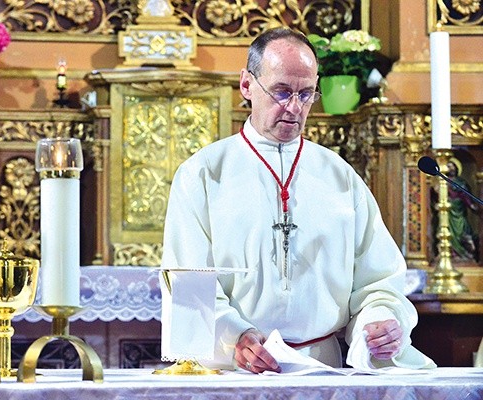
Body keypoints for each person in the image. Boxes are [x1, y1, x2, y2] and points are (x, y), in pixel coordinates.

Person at [160, 27, 435, 372]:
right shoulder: (202, 173)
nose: (294, 108)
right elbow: (189, 281)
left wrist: (378, 324)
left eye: (306, 94)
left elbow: (378, 280)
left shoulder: (339, 176)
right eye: (281, 92)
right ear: (247, 85)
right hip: (234, 369)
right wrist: (235, 337)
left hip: (326, 369)